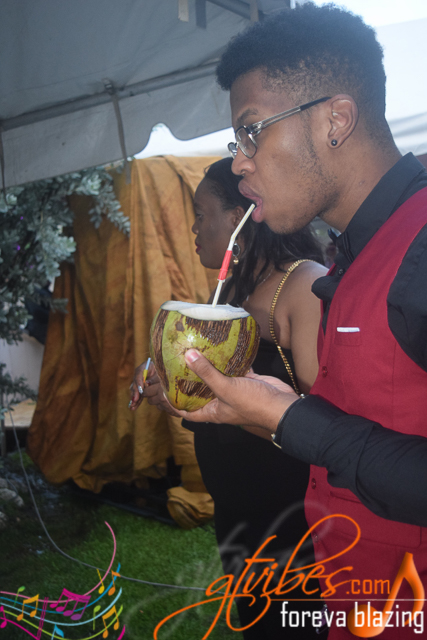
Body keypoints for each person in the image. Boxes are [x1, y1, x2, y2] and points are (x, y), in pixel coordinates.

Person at [166, 3, 427, 638]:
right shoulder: (353, 255)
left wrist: (291, 419)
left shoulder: (419, 244)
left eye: (252, 131)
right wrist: (261, 413)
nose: (239, 162)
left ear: (335, 119)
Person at [130, 157, 328, 637]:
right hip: (239, 514)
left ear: (241, 217)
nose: (194, 228)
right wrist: (167, 377)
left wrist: (225, 407)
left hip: (294, 520)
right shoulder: (229, 295)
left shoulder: (302, 286)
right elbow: (215, 392)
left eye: (201, 214)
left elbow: (326, 426)